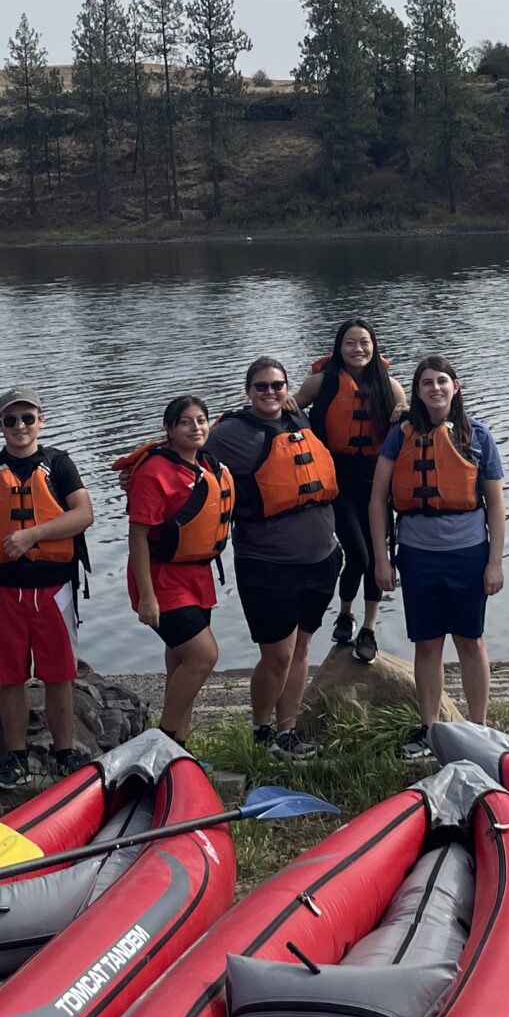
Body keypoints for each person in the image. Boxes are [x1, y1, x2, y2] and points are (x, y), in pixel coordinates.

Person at [369, 355, 507, 758]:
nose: (435, 388)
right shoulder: (400, 435)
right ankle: (429, 729)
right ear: (417, 391)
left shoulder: (478, 436)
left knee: (470, 640)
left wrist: (494, 561)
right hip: (417, 554)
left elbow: (496, 505)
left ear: (455, 387)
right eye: (426, 383)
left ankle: (478, 728)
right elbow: (378, 499)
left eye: (442, 381)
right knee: (427, 643)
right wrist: (382, 558)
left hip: (468, 554)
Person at [203, 357, 338, 760]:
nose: (270, 393)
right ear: (248, 391)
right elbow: (184, 449)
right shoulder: (228, 433)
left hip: (321, 556)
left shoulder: (300, 421)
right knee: (277, 653)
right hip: (267, 563)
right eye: (261, 386)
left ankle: (287, 732)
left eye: (277, 385)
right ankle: (261, 729)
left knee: (300, 649)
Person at [0, 386, 94, 789]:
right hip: (3, 592)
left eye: (27, 418)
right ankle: (15, 758)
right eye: (11, 420)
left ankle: (64, 755)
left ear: (41, 419)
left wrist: (32, 536)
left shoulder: (60, 464)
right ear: (0, 425)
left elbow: (84, 514)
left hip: (54, 590)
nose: (20, 426)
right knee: (11, 677)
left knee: (59, 675)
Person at [123, 394, 231, 743]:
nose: (195, 427)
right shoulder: (154, 473)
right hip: (162, 579)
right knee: (203, 656)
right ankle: (164, 739)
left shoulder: (209, 466)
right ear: (169, 428)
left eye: (201, 420)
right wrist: (147, 598)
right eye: (186, 421)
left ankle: (179, 748)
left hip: (198, 577)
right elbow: (137, 537)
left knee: (180, 663)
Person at [297, 320, 399, 662]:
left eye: (365, 342)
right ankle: (345, 613)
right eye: (351, 343)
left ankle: (368, 628)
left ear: (375, 346)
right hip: (336, 479)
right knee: (358, 554)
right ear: (339, 347)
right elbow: (288, 410)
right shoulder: (320, 383)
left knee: (376, 555)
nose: (358, 349)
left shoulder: (391, 387)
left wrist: (408, 411)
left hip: (376, 481)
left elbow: (417, 421)